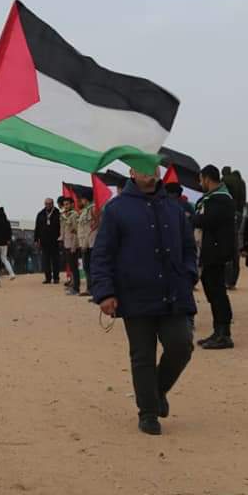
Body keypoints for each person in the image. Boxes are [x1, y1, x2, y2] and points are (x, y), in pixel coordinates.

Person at [91, 164, 196, 436]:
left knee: (181, 345)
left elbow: (188, 249)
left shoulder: (174, 209)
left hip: (173, 293)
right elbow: (102, 253)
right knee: (142, 356)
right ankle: (148, 413)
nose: (149, 171)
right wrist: (105, 292)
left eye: (152, 166)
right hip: (134, 294)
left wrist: (188, 276)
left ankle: (156, 391)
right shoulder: (117, 210)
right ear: (132, 173)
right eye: (142, 167)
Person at [192, 165, 236, 349]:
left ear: (207, 178)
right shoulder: (213, 199)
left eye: (201, 179)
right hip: (209, 251)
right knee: (212, 291)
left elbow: (209, 220)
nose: (200, 183)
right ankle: (217, 331)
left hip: (216, 252)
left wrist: (190, 218)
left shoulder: (221, 199)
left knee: (217, 292)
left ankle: (224, 334)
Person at [222, 167, 246, 289]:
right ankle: (233, 282)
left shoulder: (224, 180)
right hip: (239, 213)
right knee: (234, 247)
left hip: (227, 214)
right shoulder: (241, 182)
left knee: (226, 247)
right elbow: (243, 199)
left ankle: (226, 280)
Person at [76, 195, 99, 298]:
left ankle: (96, 291)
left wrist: (85, 243)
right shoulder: (85, 211)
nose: (80, 201)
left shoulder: (93, 208)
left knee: (93, 267)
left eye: (82, 198)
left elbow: (95, 225)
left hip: (91, 243)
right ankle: (90, 289)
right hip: (85, 243)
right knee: (86, 267)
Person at [35, 198, 61, 284]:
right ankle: (48, 278)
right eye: (46, 204)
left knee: (55, 260)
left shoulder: (58, 213)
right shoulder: (41, 214)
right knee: (45, 260)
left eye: (49, 204)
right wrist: (36, 239)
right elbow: (37, 228)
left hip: (55, 241)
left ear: (53, 204)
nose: (48, 205)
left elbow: (61, 227)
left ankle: (56, 278)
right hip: (44, 241)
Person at [59, 197, 80, 295]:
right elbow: (63, 230)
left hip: (72, 244)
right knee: (70, 266)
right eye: (64, 204)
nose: (66, 206)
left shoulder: (74, 215)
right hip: (66, 243)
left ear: (72, 204)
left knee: (74, 267)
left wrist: (74, 245)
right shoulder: (63, 215)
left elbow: (76, 231)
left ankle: (76, 288)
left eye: (67, 204)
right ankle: (72, 284)